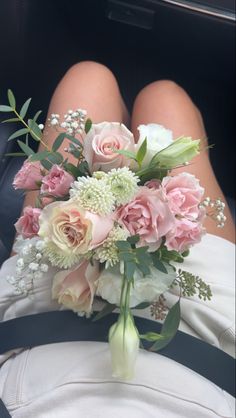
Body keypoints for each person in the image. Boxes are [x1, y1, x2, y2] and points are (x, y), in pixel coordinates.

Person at [0, 62, 235, 417]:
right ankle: (129, 155)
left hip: (50, 298)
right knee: (166, 96)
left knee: (88, 77)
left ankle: (122, 156)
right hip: (203, 328)